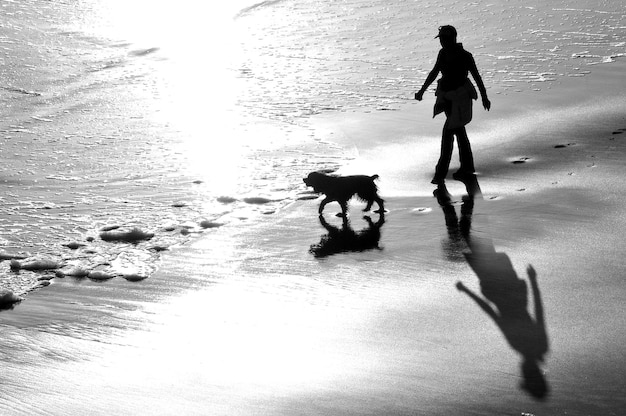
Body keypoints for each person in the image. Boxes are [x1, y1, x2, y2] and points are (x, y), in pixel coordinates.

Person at [415, 25, 491, 184]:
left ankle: (440, 175)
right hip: (447, 99)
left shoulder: (465, 56)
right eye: (440, 39)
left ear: (452, 39)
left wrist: (484, 97)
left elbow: (477, 77)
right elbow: (434, 72)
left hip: (461, 100)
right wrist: (422, 90)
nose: (441, 42)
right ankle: (467, 168)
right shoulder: (442, 54)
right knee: (459, 133)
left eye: (443, 39)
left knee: (449, 134)